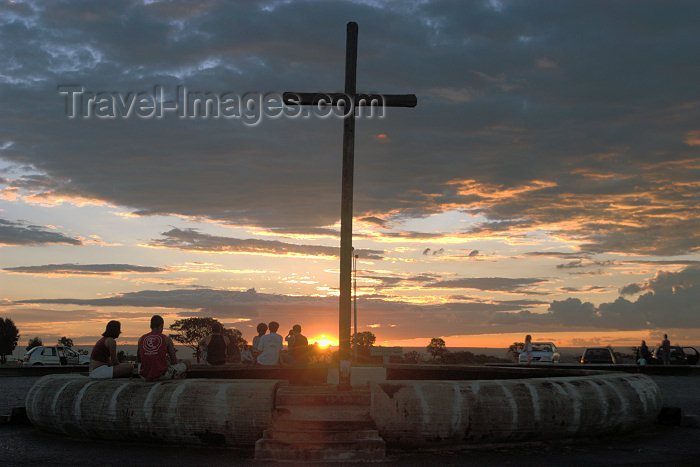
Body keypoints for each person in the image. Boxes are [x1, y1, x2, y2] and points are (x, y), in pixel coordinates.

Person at [137, 315, 190, 381]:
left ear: (151, 326)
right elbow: (174, 362)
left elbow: (139, 360)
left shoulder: (141, 339)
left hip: (144, 376)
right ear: (161, 326)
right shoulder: (166, 339)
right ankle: (177, 377)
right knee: (187, 363)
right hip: (162, 375)